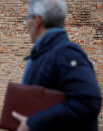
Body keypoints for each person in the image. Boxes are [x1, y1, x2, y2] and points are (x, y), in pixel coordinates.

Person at [11, 0, 102, 131]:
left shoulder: (67, 54)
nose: (26, 24)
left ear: (37, 20)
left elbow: (87, 102)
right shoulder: (44, 54)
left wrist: (32, 123)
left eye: (27, 18)